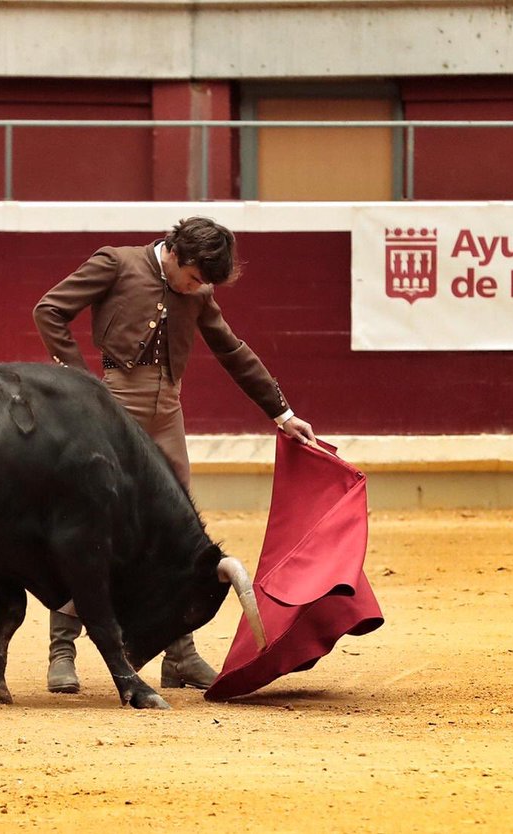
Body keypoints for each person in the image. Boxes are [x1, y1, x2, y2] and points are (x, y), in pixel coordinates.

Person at [32, 216, 317, 693]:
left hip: (168, 417)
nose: (199, 288)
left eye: (206, 282)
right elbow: (49, 310)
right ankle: (63, 647)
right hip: (114, 412)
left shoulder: (197, 293)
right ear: (176, 254)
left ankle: (179, 654)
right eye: (196, 277)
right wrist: (81, 388)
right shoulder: (116, 263)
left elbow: (232, 351)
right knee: (94, 526)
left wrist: (282, 413)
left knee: (179, 535)